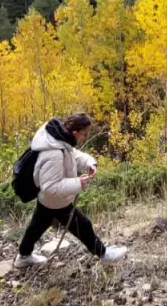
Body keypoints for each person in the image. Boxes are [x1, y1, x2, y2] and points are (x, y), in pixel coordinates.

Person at [14, 113, 128, 267]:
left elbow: (71, 154)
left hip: (48, 201)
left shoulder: (59, 140)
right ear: (75, 133)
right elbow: (49, 187)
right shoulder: (54, 153)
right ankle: (104, 254)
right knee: (83, 225)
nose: (84, 137)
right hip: (56, 201)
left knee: (36, 227)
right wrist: (77, 184)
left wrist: (89, 163)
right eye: (84, 134)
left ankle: (23, 256)